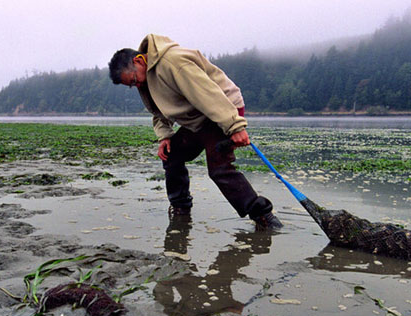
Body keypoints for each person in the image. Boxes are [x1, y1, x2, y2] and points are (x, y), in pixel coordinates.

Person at [108, 34, 282, 231]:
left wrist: (235, 126)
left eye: (134, 80)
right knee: (172, 154)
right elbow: (157, 109)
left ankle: (264, 218)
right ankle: (180, 210)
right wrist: (164, 136)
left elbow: (207, 93)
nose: (136, 85)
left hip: (223, 109)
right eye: (132, 86)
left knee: (219, 169)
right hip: (198, 119)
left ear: (139, 61)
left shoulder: (173, 62)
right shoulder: (146, 77)